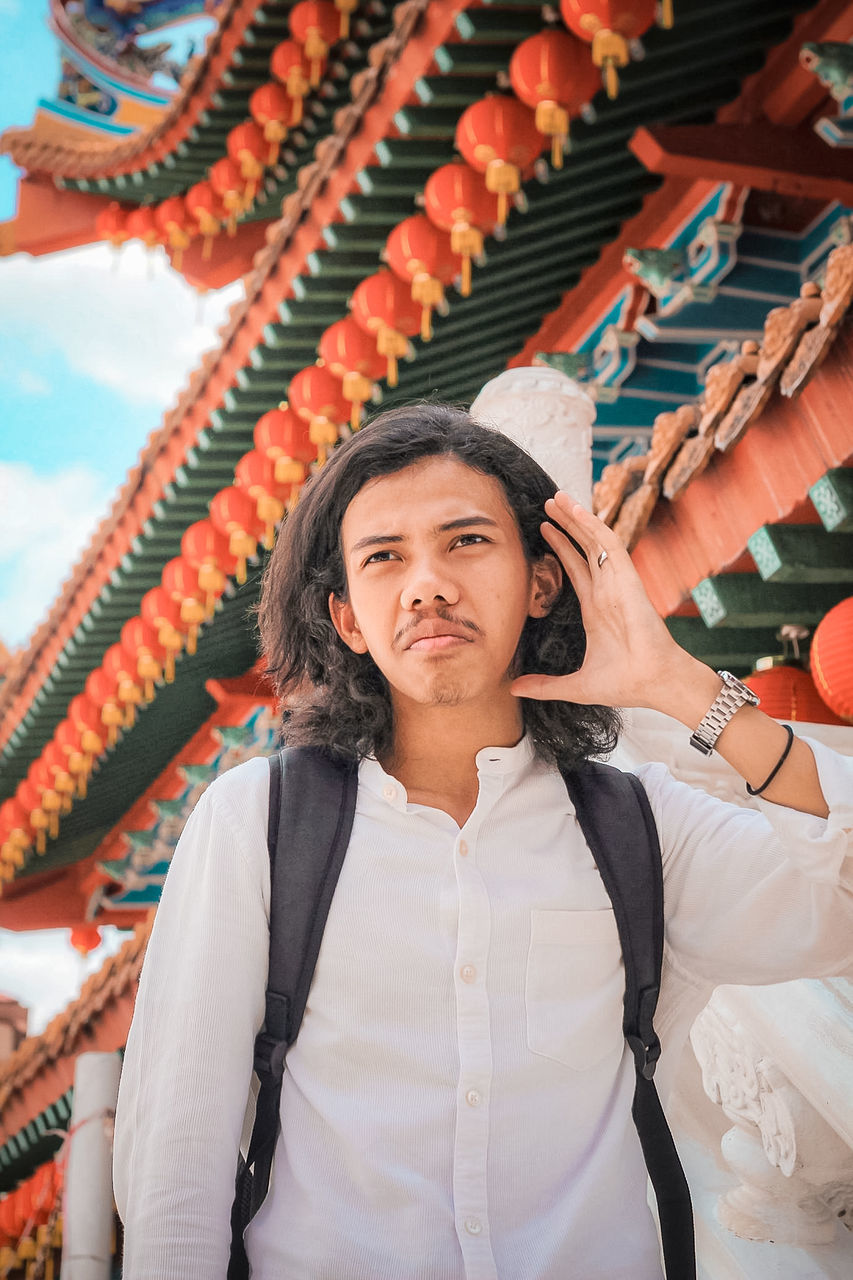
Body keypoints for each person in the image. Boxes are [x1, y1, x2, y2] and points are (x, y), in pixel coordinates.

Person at [113, 403, 853, 1280]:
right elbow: (175, 1167)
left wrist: (682, 687)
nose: (426, 584)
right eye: (384, 558)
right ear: (347, 617)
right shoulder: (258, 826)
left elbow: (836, 907)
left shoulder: (638, 827)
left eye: (465, 542)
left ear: (540, 583)